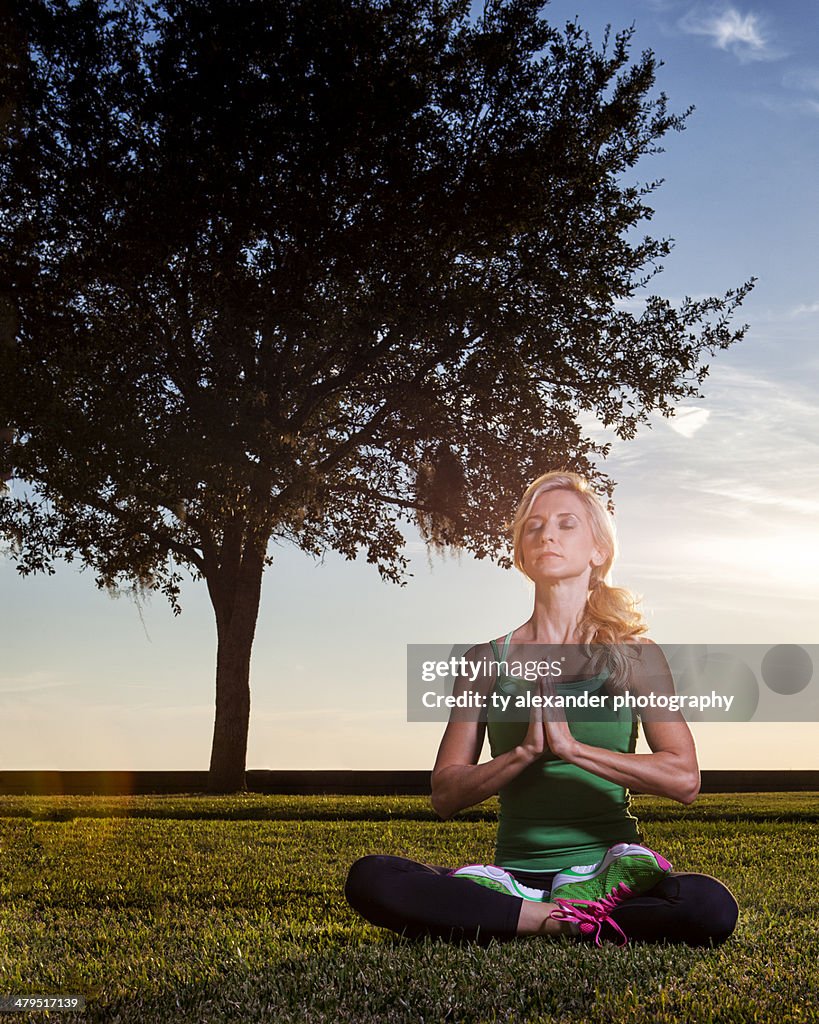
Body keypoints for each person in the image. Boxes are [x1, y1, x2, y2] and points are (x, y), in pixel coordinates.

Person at [345, 471, 739, 946]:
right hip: (515, 878)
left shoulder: (636, 655)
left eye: (566, 523)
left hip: (611, 872)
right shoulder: (483, 662)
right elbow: (446, 793)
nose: (546, 533)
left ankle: (545, 910)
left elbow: (684, 780)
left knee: (708, 905)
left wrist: (573, 749)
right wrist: (524, 753)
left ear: (598, 551)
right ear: (522, 554)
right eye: (534, 526)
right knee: (373, 877)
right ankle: (556, 917)